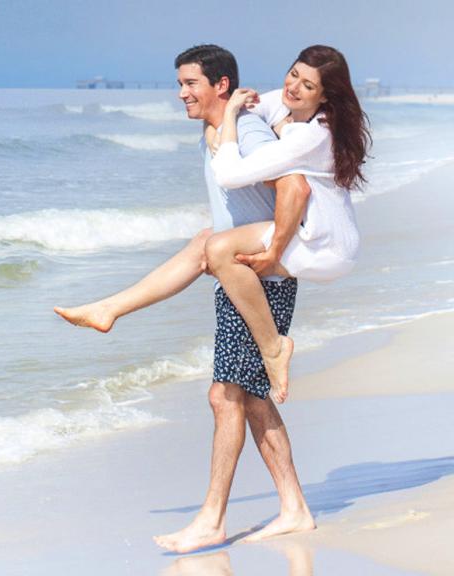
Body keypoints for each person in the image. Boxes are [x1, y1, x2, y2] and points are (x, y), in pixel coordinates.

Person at [57, 44, 316, 552]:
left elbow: (294, 186)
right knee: (253, 399)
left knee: (225, 398)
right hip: (239, 275)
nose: (181, 93)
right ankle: (295, 507)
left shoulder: (248, 129)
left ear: (220, 85)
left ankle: (212, 518)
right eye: (180, 83)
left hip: (258, 281)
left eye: (190, 83)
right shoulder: (218, 130)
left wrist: (274, 254)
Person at [55, 46, 370, 405]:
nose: (293, 86)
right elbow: (252, 106)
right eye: (293, 73)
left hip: (324, 246)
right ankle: (109, 308)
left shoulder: (309, 136)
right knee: (206, 240)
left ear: (325, 95)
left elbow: (238, 175)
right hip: (323, 234)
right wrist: (223, 123)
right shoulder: (290, 108)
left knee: (218, 249)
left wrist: (274, 251)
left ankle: (274, 348)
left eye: (307, 85)